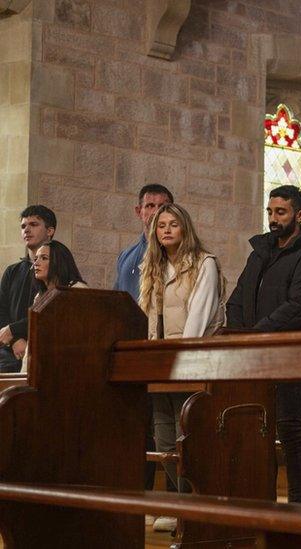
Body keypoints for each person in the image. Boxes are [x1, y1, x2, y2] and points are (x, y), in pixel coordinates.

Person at [226, 184, 301, 503]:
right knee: (256, 430)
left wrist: (257, 333)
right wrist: (238, 336)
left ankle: (300, 506)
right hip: (253, 356)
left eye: (281, 212)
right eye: (270, 212)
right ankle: (261, 499)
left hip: (291, 356)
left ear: (299, 214)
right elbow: (237, 298)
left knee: (289, 430)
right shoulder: (259, 253)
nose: (273, 219)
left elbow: (300, 306)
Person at [139, 203, 224, 532]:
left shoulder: (204, 263)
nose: (167, 230)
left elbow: (199, 317)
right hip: (157, 363)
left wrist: (182, 358)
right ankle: (180, 504)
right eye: (161, 225)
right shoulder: (153, 267)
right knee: (162, 438)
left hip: (188, 360)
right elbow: (146, 316)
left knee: (185, 433)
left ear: (185, 228)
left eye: (173, 224)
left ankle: (195, 507)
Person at [113, 183, 173, 504]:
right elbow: (118, 303)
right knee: (136, 430)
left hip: (161, 352)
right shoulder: (126, 256)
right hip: (131, 354)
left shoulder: (174, 251)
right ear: (139, 212)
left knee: (163, 430)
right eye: (149, 206)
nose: (154, 213)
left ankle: (167, 502)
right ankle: (139, 499)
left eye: (161, 207)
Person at [0, 205, 57, 372]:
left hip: (43, 349)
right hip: (9, 351)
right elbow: (1, 311)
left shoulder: (59, 268)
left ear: (50, 231)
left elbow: (51, 311)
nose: (27, 230)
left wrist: (15, 330)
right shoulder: (13, 271)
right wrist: (15, 339)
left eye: (33, 224)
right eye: (23, 226)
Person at [20, 240, 87, 373]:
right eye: (35, 258)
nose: (36, 263)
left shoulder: (77, 290)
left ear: (59, 262)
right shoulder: (39, 296)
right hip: (38, 368)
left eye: (44, 258)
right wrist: (24, 374)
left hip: (66, 368)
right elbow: (33, 341)